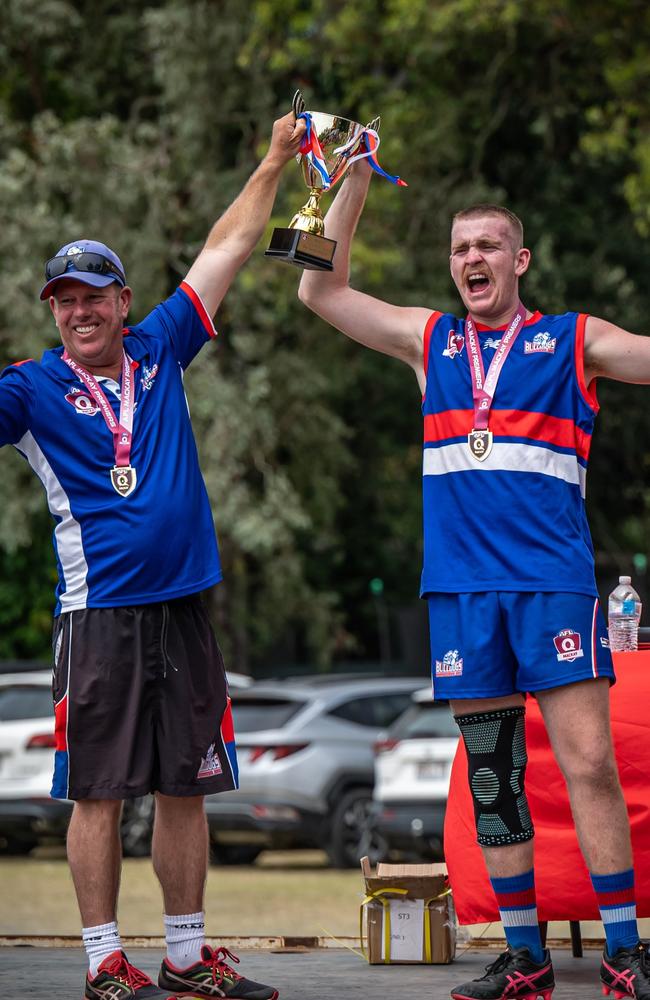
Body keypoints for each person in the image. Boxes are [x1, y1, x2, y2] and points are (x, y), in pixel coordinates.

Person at [298, 159, 650, 1000]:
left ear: (519, 260)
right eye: (461, 248)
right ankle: (525, 957)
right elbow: (317, 292)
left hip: (553, 586)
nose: (473, 258)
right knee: (493, 771)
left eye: (489, 244)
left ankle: (627, 951)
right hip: (460, 591)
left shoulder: (571, 338)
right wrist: (345, 178)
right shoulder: (430, 341)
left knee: (590, 765)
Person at [0, 111, 305, 1000]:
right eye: (66, 298)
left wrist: (278, 158)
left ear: (125, 302)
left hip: (185, 608)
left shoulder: (163, 348)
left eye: (95, 294)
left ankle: (182, 956)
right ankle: (103, 964)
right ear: (51, 310)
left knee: (187, 786)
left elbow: (231, 245)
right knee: (97, 792)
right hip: (97, 619)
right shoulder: (27, 389)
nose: (81, 309)